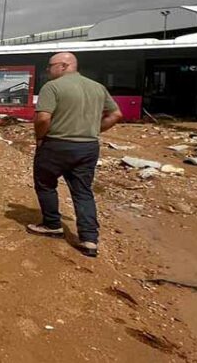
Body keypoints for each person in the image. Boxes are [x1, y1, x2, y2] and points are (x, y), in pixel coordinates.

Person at [26, 52, 123, 257]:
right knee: (82, 191)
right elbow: (116, 114)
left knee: (45, 183)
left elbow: (43, 118)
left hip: (57, 145)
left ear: (63, 65)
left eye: (49, 66)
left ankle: (52, 224)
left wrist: (40, 138)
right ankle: (89, 239)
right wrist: (94, 130)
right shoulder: (98, 87)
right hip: (88, 147)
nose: (47, 70)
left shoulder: (52, 87)